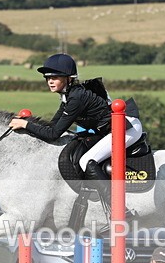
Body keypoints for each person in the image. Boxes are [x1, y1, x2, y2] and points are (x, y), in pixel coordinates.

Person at [8, 53, 143, 191]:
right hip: (111, 129)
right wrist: (28, 123)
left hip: (126, 129)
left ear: (68, 78)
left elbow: (53, 134)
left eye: (54, 77)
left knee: (87, 161)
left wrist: (26, 125)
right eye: (47, 78)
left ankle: (119, 209)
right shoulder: (68, 96)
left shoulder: (76, 98)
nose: (50, 81)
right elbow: (53, 126)